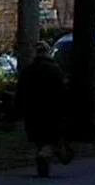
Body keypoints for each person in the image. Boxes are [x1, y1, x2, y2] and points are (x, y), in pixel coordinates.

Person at [17, 43, 72, 177]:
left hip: (32, 112)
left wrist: (19, 110)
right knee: (51, 139)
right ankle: (44, 156)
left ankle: (43, 160)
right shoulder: (55, 71)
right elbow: (63, 92)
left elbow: (20, 93)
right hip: (52, 112)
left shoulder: (28, 71)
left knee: (40, 139)